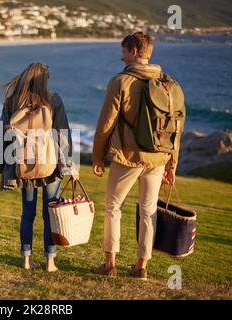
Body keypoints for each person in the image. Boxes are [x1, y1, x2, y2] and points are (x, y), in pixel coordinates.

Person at [91, 32, 182, 280]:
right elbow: (175, 129)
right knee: (148, 210)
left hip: (128, 156)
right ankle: (141, 267)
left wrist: (97, 157)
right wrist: (172, 164)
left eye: (123, 51)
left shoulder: (121, 81)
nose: (121, 56)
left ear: (133, 51)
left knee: (113, 207)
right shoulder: (169, 85)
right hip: (159, 159)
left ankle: (110, 264)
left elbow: (105, 124)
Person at [0, 62, 78, 272]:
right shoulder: (53, 100)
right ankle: (50, 262)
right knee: (50, 213)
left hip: (24, 165)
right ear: (44, 80)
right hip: (50, 166)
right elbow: (63, 134)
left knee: (27, 214)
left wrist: (1, 166)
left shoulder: (13, 101)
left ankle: (26, 259)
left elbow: (0, 135)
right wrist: (68, 163)